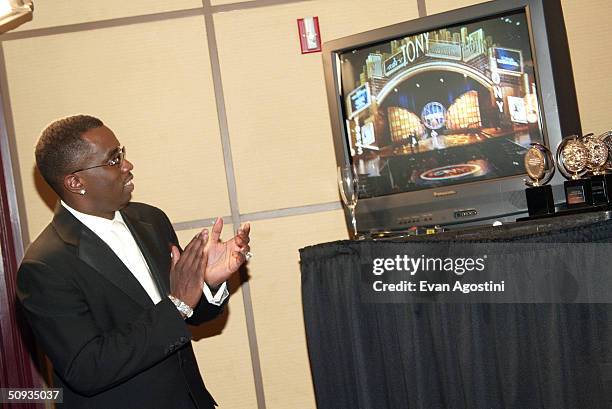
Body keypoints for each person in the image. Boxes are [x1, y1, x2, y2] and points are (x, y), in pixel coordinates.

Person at [17, 115, 251, 409]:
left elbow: (187, 316)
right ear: (76, 182)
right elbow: (87, 368)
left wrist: (209, 283)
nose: (128, 165)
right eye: (114, 159)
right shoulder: (45, 267)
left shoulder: (150, 220)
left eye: (122, 153)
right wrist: (177, 305)